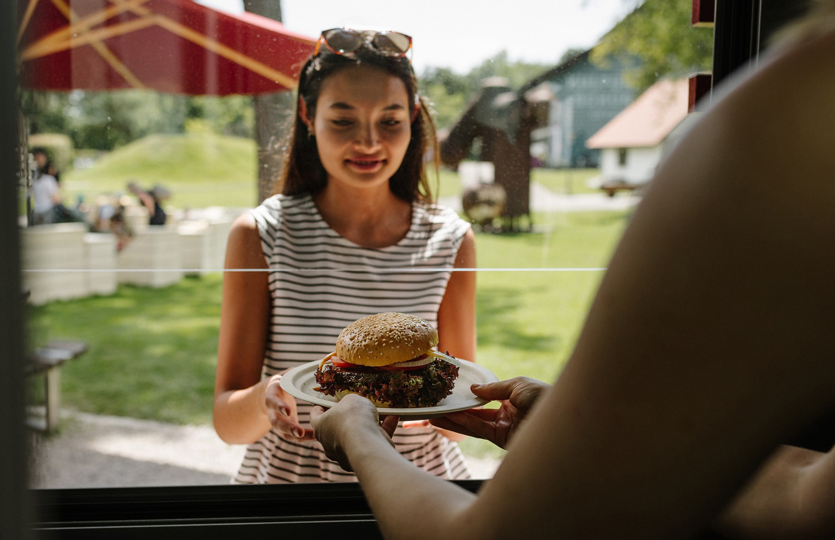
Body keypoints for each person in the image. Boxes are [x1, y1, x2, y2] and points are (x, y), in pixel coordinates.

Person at [310, 5, 835, 539]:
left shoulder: (791, 123)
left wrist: (359, 434)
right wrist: (581, 440)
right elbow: (807, 494)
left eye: (390, 119)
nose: (368, 140)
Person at [213, 27, 478, 483]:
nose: (369, 142)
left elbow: (457, 425)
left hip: (422, 493)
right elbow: (226, 422)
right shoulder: (260, 234)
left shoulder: (451, 239)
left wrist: (445, 406)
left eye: (390, 121)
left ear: (413, 117)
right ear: (307, 114)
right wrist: (265, 398)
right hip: (293, 489)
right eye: (343, 120)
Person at [31, 158, 61, 225]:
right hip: (47, 209)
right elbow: (54, 197)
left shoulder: (36, 179)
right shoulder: (50, 180)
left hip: (37, 209)